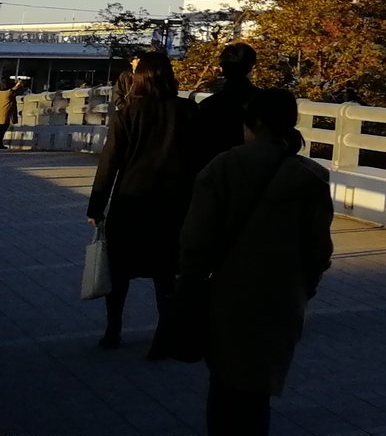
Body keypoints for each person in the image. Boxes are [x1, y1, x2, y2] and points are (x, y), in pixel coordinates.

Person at [179, 87, 334, 436]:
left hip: (227, 293)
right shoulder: (310, 177)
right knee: (257, 388)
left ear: (256, 124)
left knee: (224, 384)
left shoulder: (222, 168)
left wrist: (189, 282)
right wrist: (305, 287)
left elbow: (195, 240)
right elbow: (319, 250)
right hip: (282, 297)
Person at [86, 48, 194, 354]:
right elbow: (198, 160)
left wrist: (96, 206)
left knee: (120, 273)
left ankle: (113, 331)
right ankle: (163, 337)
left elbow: (110, 161)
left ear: (139, 78)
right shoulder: (186, 111)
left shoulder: (127, 114)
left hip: (130, 201)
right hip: (173, 204)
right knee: (165, 274)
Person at [190, 43, 259, 172]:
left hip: (213, 171)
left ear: (222, 68)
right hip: (254, 171)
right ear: (251, 67)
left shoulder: (207, 106)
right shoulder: (264, 102)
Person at [0, 75, 29, 149]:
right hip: (4, 116)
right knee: (2, 131)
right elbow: (15, 88)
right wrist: (19, 83)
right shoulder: (8, 93)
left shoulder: (4, 93)